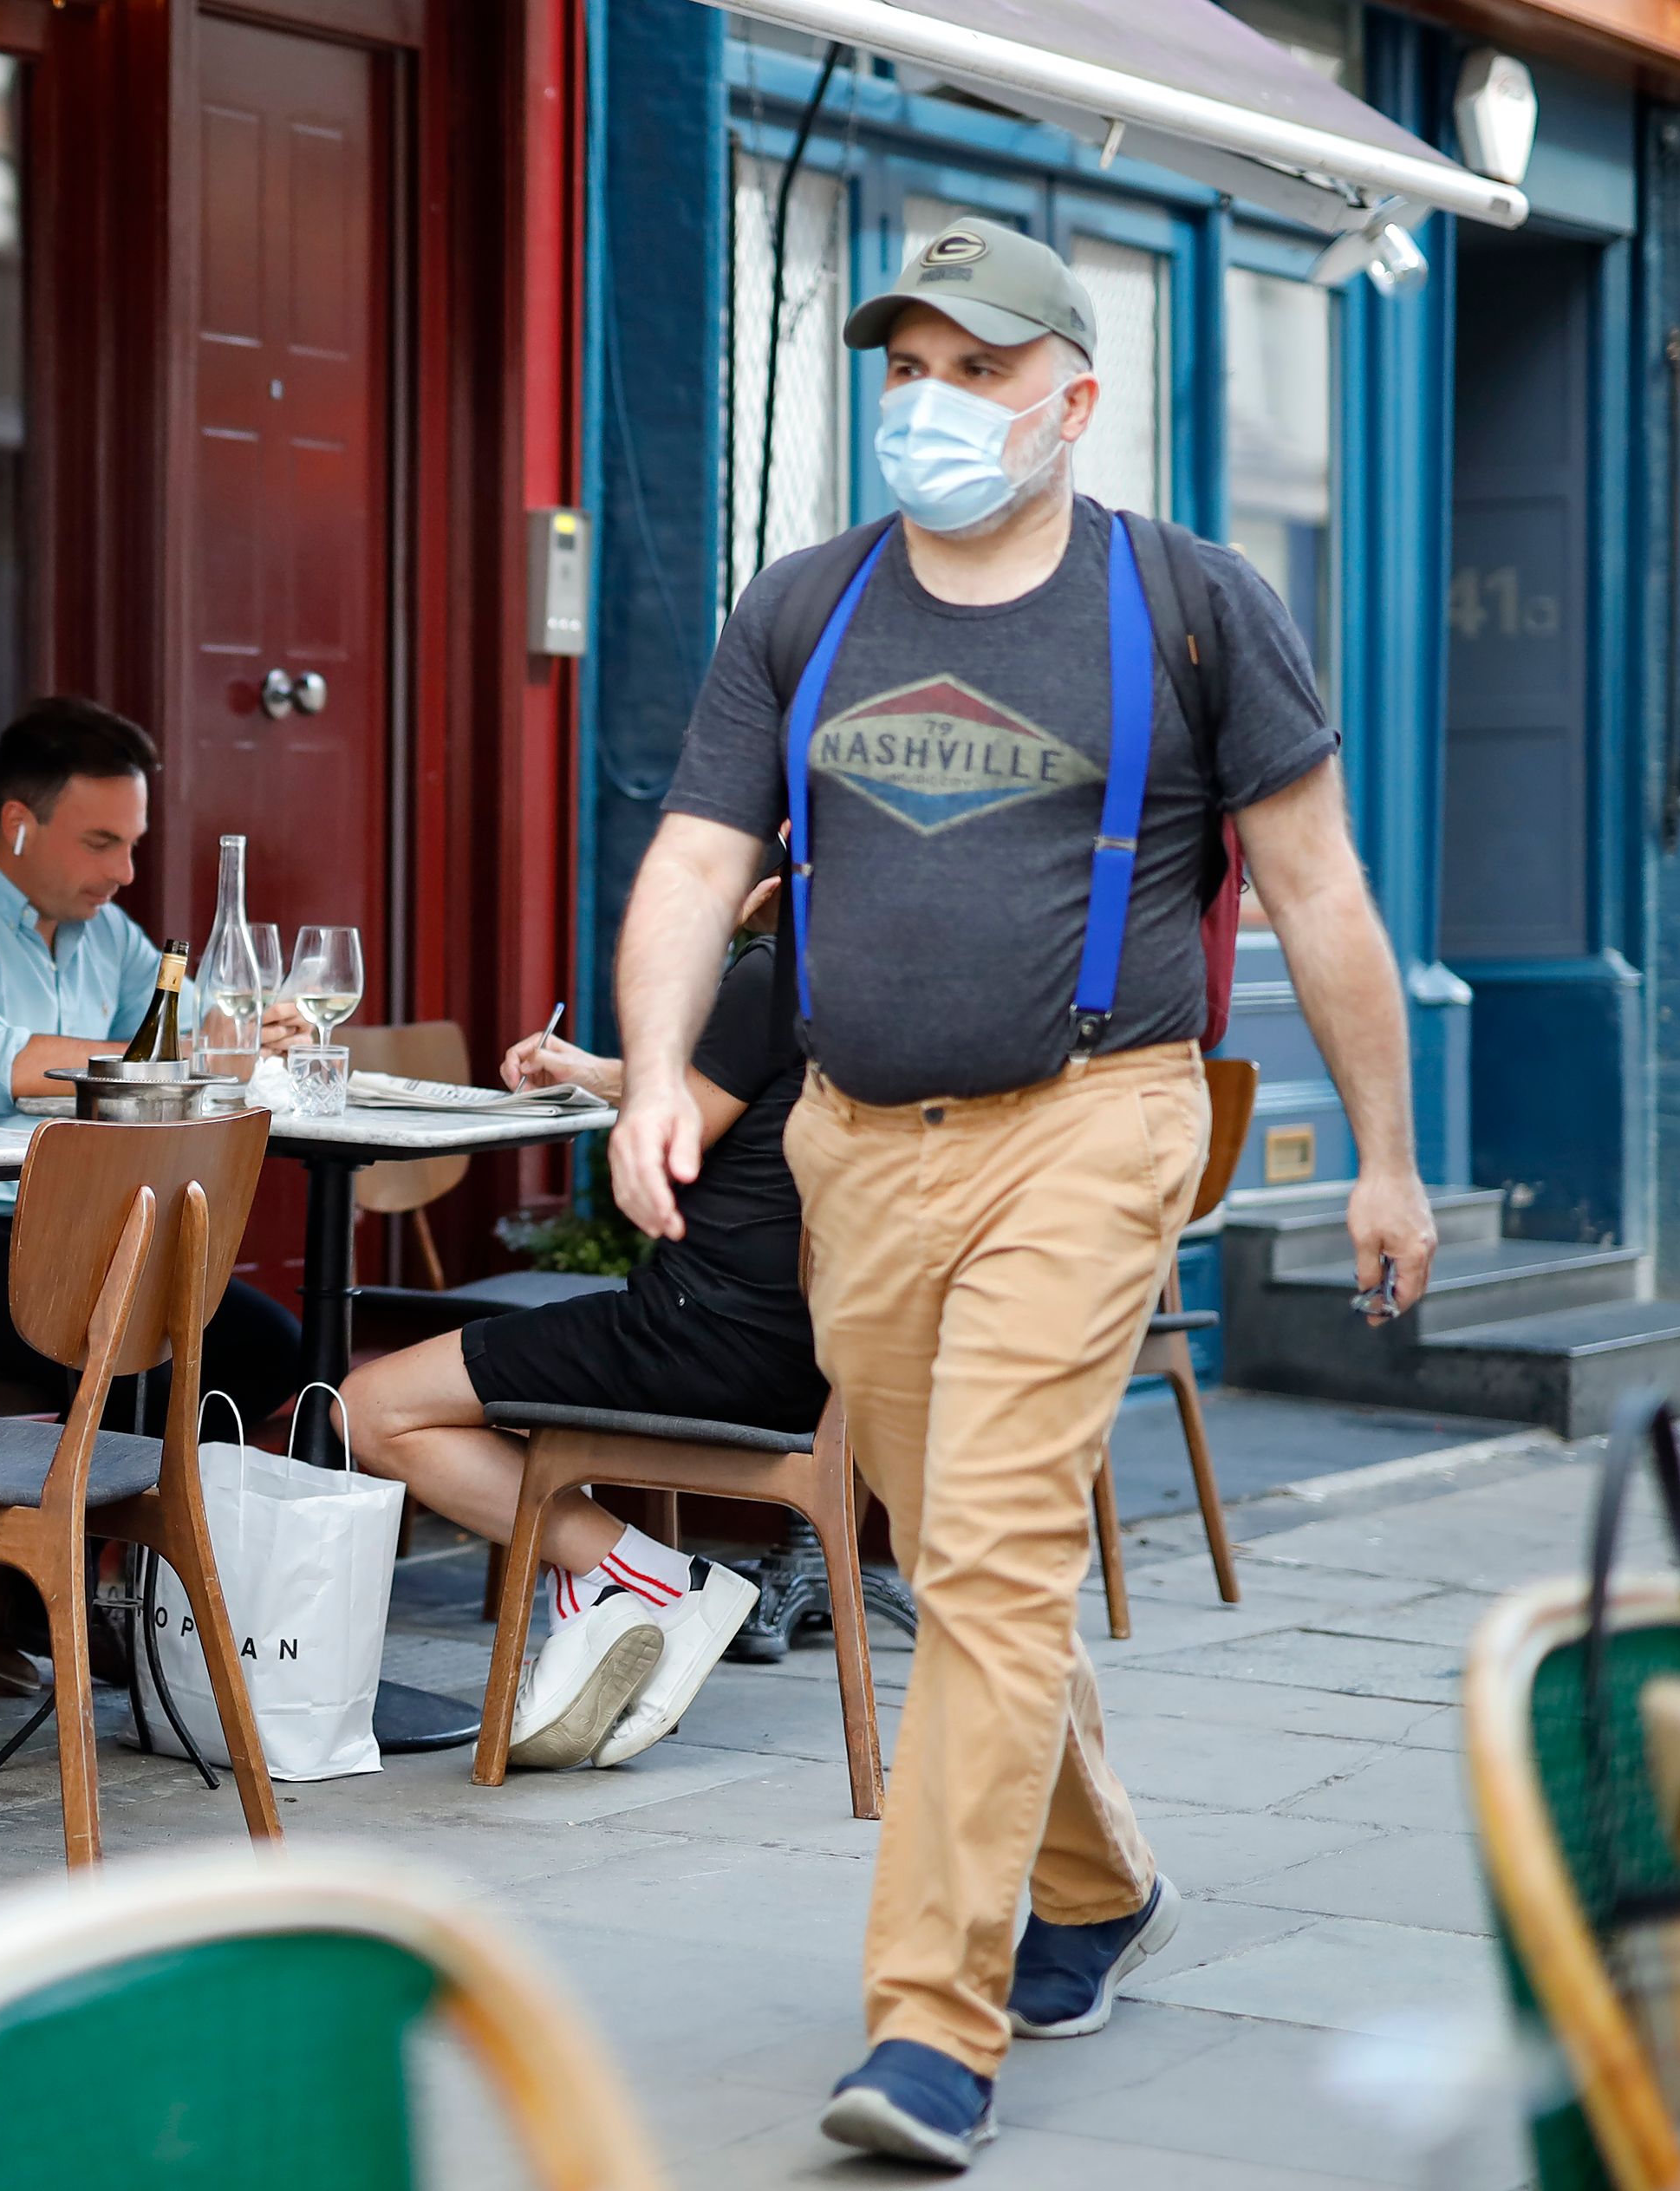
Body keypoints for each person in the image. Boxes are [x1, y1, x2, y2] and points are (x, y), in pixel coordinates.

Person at [615, 221, 1439, 2168]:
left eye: (976, 368)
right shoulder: (798, 608)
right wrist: (657, 1067)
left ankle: (927, 2027)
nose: (931, 400)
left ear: (1072, 396)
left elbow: (1316, 895)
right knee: (946, 1551)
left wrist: (1384, 1157)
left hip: (1091, 1119)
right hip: (853, 1149)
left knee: (987, 1555)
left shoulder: (1191, 603)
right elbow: (690, 854)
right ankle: (1090, 1883)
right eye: (904, 360)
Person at [0, 695, 308, 1690]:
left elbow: (201, 1025)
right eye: (100, 842)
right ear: (17, 823)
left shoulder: (106, 934)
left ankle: (94, 1585)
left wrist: (255, 1030)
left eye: (133, 844)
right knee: (128, 1319)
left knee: (252, 1340)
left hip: (46, 1235)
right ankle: (50, 1592)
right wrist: (174, 1053)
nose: (124, 872)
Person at [342, 850, 808, 1773]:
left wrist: (734, 936)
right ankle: (600, 1596)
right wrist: (586, 1069)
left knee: (368, 1407)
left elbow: (681, 1121)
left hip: (704, 1332)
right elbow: (718, 1090)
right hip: (819, 1352)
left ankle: (653, 1581)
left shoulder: (777, 968)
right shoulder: (892, 986)